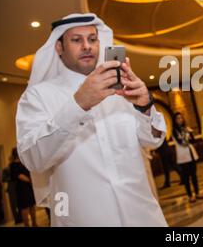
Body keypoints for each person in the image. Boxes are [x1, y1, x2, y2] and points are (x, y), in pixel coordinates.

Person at [16, 13, 167, 226]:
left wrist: (145, 106)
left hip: (142, 215)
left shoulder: (121, 89)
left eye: (92, 39)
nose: (87, 46)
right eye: (76, 40)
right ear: (59, 48)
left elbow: (153, 141)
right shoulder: (38, 96)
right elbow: (33, 158)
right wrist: (78, 105)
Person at [172, 112, 203, 203]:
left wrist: (189, 134)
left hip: (191, 154)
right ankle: (190, 195)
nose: (180, 120)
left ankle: (197, 193)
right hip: (183, 156)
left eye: (181, 118)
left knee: (194, 175)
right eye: (178, 118)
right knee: (186, 177)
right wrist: (187, 135)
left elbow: (192, 140)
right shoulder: (174, 131)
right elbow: (182, 142)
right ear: (175, 120)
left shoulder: (186, 128)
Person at [10, 148, 37, 227]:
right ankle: (27, 225)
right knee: (24, 207)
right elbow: (19, 175)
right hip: (21, 189)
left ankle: (34, 223)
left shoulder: (24, 163)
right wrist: (29, 180)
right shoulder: (13, 165)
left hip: (28, 187)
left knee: (32, 205)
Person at [2, 154, 22, 224]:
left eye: (12, 159)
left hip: (18, 186)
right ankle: (16, 219)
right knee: (13, 204)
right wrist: (11, 178)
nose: (12, 160)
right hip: (11, 187)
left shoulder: (17, 167)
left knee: (20, 202)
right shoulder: (6, 169)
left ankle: (21, 217)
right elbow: (3, 179)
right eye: (10, 159)